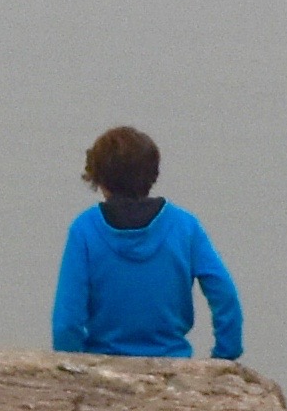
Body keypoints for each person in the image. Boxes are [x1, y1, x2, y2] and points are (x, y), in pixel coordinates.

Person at [52, 126, 244, 362]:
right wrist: (225, 354)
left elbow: (67, 324)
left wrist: (75, 366)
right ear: (152, 174)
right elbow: (224, 293)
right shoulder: (184, 226)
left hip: (102, 368)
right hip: (172, 364)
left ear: (99, 178)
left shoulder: (84, 230)